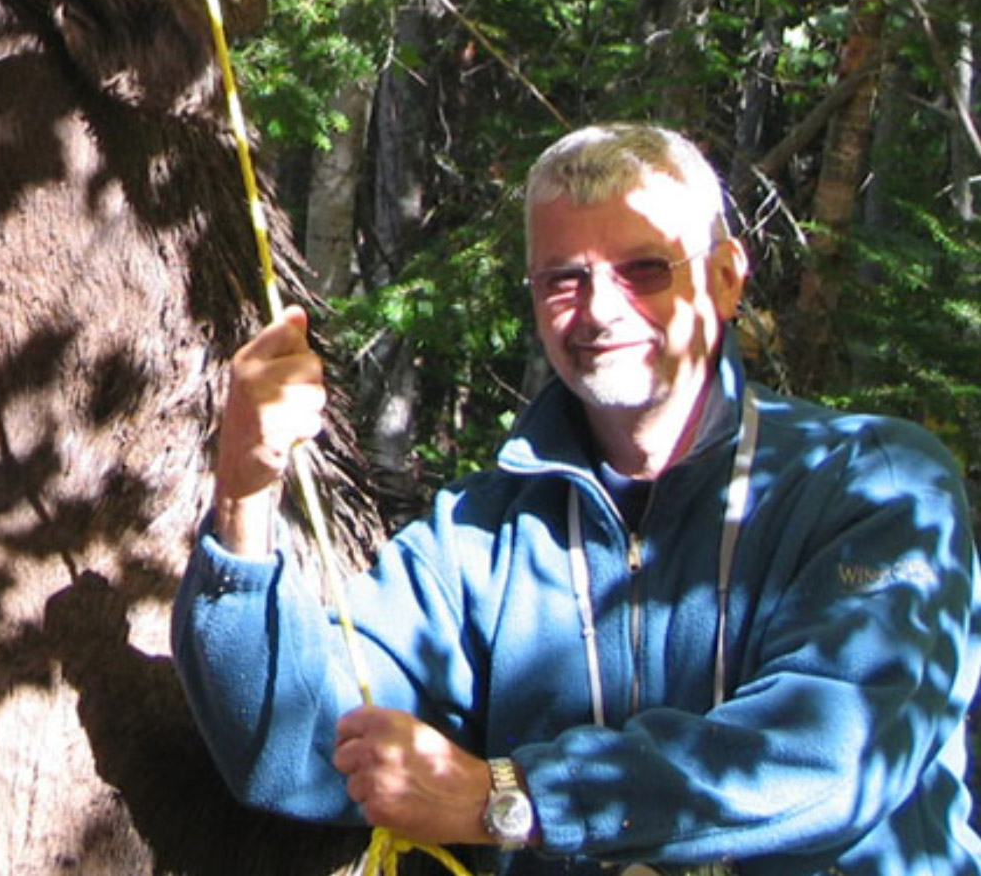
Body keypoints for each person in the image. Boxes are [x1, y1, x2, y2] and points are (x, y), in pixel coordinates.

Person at [174, 122, 981, 874]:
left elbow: (835, 758)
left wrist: (511, 798)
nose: (600, 309)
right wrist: (246, 488)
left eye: (645, 270)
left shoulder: (876, 484)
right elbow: (293, 752)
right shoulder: (479, 539)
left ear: (727, 280)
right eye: (565, 279)